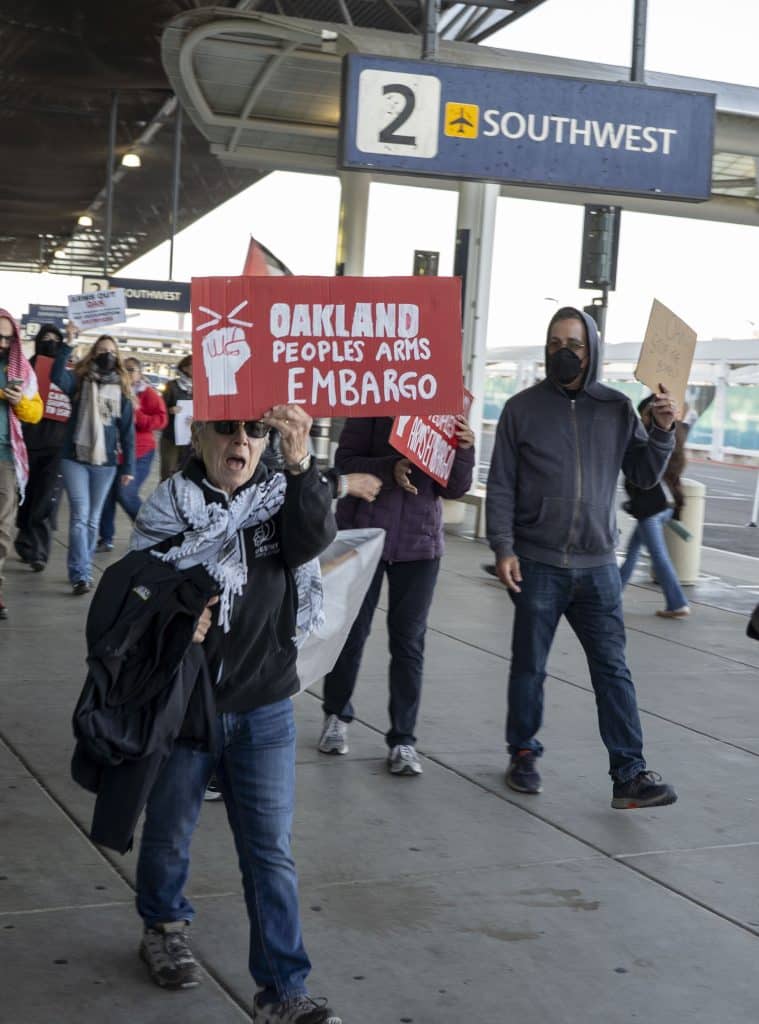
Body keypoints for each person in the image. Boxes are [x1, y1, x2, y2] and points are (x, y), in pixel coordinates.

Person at [128, 408, 341, 1024]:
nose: (241, 441)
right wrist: (172, 616)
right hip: (185, 705)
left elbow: (314, 536)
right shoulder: (170, 504)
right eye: (226, 429)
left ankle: (283, 989)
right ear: (199, 435)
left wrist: (301, 463)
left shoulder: (281, 499)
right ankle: (163, 926)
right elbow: (133, 590)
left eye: (255, 431)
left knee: (270, 851)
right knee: (169, 832)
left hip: (265, 703)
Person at [486, 306, 678, 809]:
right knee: (529, 666)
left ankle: (629, 774)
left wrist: (660, 430)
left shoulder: (615, 408)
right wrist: (503, 547)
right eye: (554, 343)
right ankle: (523, 751)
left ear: (591, 350)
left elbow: (641, 474)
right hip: (538, 561)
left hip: (597, 567)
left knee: (613, 669)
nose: (563, 352)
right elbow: (502, 484)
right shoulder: (521, 409)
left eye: (573, 343)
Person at [319, 415, 475, 775]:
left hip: (419, 545)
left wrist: (464, 451)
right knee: (351, 633)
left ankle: (403, 739)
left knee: (409, 642)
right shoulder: (373, 402)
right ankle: (336, 715)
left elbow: (454, 489)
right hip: (364, 537)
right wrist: (392, 468)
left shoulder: (446, 415)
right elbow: (346, 462)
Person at [51, 333, 135, 595]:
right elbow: (56, 377)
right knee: (80, 517)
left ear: (117, 356)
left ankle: (82, 569)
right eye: (101, 351)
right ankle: (81, 574)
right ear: (93, 353)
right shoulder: (79, 381)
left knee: (91, 520)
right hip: (74, 457)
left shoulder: (121, 388)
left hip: (106, 462)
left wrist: (128, 468)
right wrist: (67, 343)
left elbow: (127, 432)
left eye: (111, 351)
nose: (106, 355)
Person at [619, 394, 690, 619]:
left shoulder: (651, 436)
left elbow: (641, 475)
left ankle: (677, 602)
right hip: (664, 503)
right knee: (632, 552)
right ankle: (611, 595)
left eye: (642, 414)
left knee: (658, 556)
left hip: (651, 506)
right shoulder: (673, 433)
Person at [15, 324, 70, 571]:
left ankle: (39, 552)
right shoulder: (24, 368)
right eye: (45, 338)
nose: (50, 342)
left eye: (55, 339)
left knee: (44, 501)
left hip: (56, 447)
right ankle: (24, 541)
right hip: (27, 444)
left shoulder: (67, 372)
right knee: (24, 501)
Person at [98, 357, 167, 551]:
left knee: (125, 493)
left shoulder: (148, 394)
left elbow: (161, 420)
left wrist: (137, 414)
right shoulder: (111, 390)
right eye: (124, 369)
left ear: (140, 373)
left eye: (131, 370)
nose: (127, 373)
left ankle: (150, 532)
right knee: (107, 495)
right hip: (111, 452)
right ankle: (106, 538)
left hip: (140, 452)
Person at [0, 308, 43, 618]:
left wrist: (19, 402)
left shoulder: (21, 371)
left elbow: (35, 412)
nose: (2, 343)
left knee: (2, 528)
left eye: (7, 338)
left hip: (5, 457)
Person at [159, 355, 192, 480]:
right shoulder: (172, 386)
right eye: (193, 366)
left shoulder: (200, 387)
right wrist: (169, 410)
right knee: (168, 472)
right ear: (185, 368)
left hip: (190, 438)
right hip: (171, 437)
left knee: (185, 472)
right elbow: (160, 410)